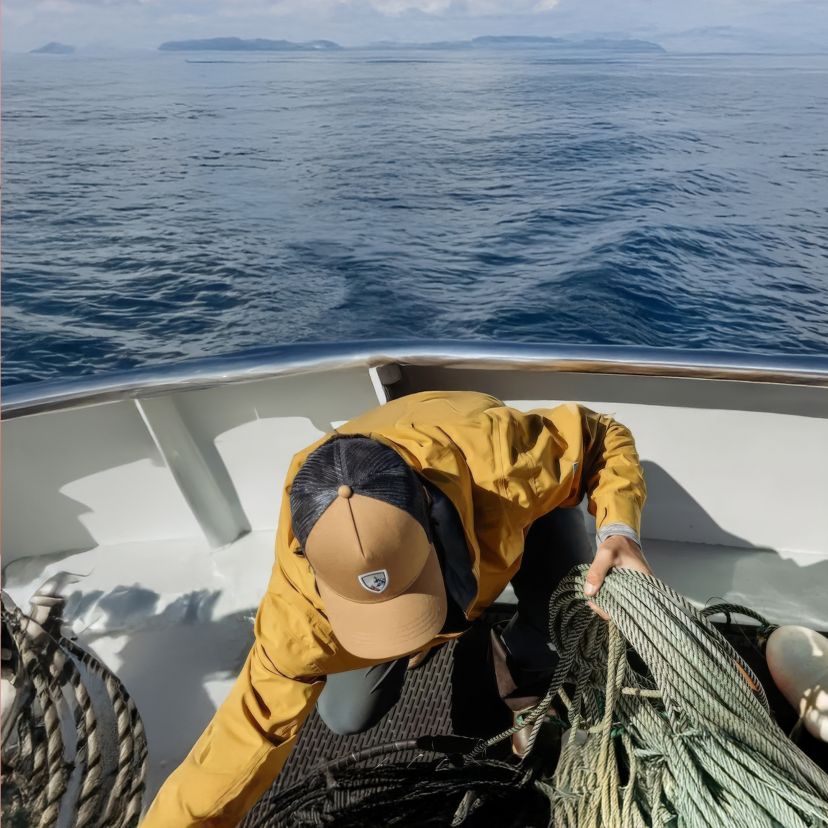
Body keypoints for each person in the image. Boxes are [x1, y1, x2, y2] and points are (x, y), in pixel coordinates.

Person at [141, 390, 650, 826]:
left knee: (571, 618)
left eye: (410, 596)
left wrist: (619, 531)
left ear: (436, 527)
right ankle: (425, 634)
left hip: (509, 511)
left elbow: (600, 435)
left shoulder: (504, 462)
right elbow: (240, 739)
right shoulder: (296, 612)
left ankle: (512, 651)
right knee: (345, 715)